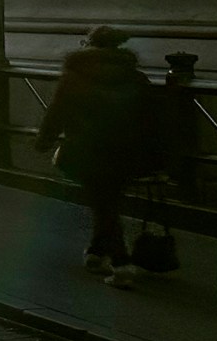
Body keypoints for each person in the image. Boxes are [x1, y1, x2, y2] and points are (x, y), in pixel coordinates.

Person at [36, 25, 154, 287]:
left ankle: (122, 265)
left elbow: (58, 111)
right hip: (126, 151)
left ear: (90, 44)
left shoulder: (75, 76)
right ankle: (96, 253)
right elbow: (150, 118)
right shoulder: (134, 76)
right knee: (108, 202)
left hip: (88, 150)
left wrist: (44, 140)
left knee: (104, 207)